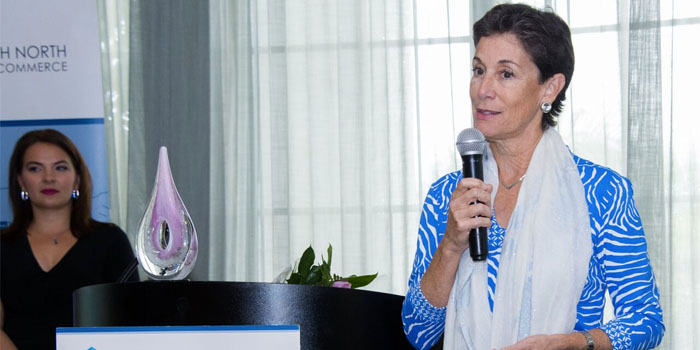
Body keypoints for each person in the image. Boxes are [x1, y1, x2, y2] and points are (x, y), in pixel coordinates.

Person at [401, 4, 664, 350]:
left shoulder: (601, 192)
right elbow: (418, 333)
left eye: (505, 74)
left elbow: (646, 319)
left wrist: (576, 343)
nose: (483, 89)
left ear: (549, 88)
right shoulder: (447, 195)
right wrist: (450, 245)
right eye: (478, 70)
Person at [1, 129, 138, 349]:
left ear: (77, 180)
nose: (48, 178)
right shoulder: (2, 246)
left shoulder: (110, 241)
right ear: (21, 182)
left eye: (60, 167)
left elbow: (130, 320)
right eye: (35, 168)